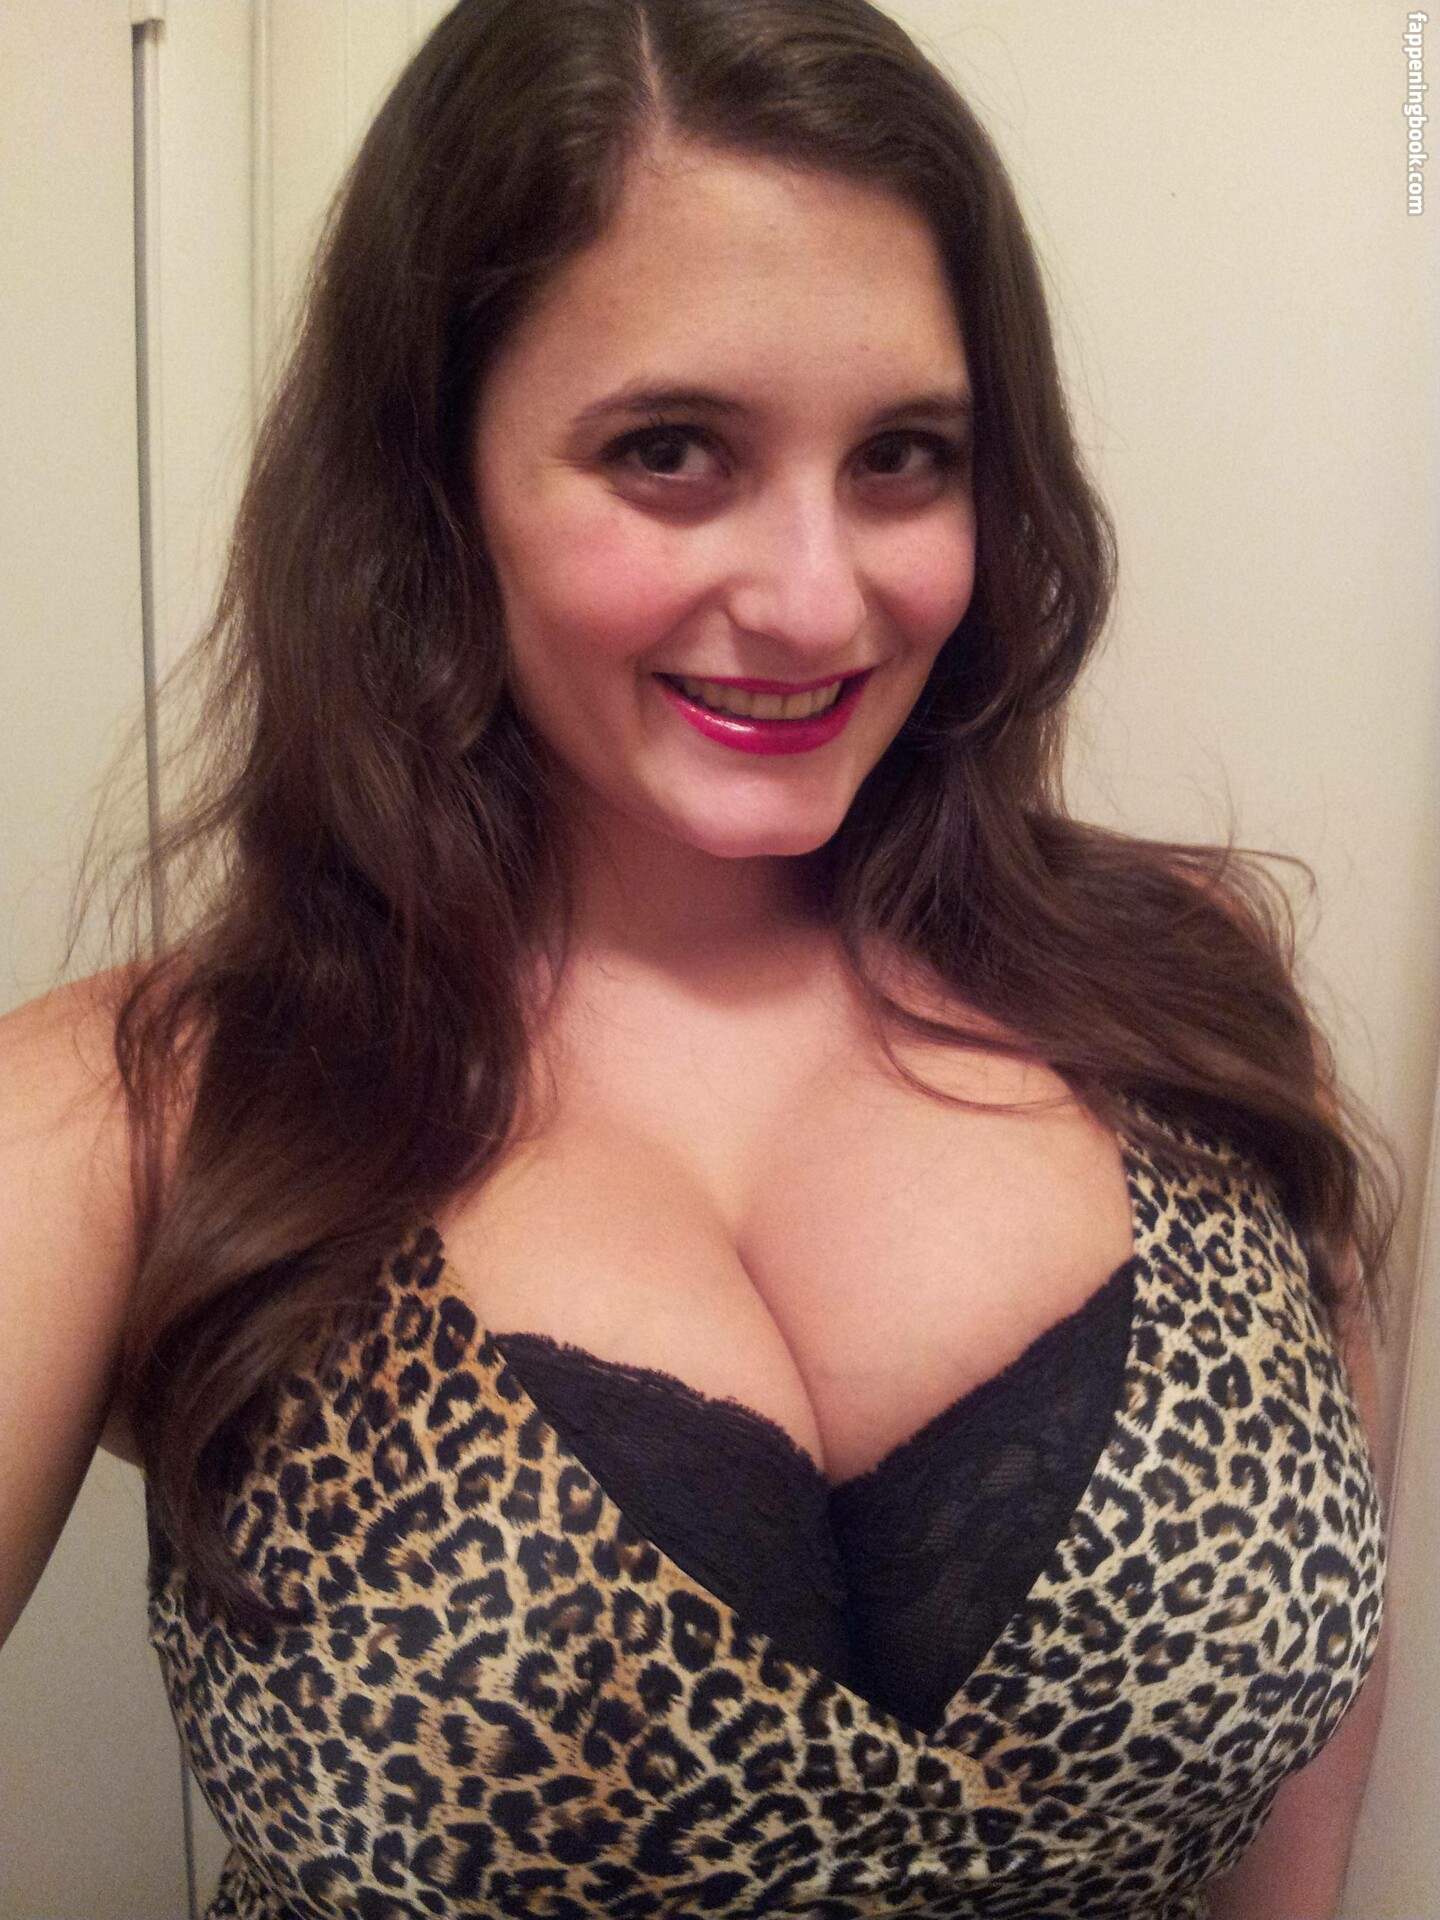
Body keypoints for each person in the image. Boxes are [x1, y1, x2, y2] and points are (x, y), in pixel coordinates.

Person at [0, 0, 1393, 1914]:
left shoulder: (1188, 992)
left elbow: (1313, 1728)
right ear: (436, 482)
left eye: (905, 456)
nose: (819, 599)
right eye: (670, 451)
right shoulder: (134, 1118)